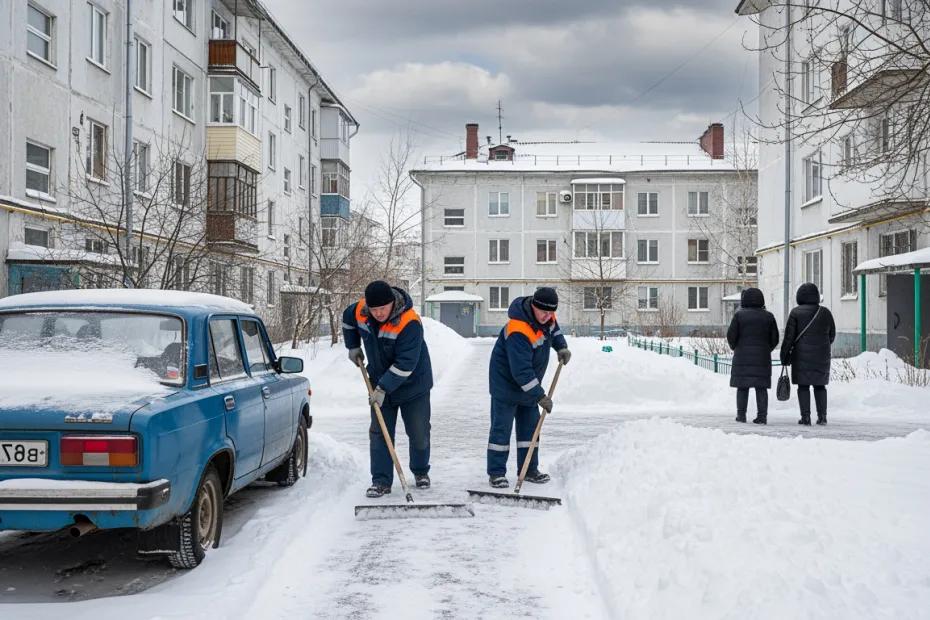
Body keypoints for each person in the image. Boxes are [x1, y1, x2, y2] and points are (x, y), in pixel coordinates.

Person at [343, 280, 433, 497]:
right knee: (380, 432)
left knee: (418, 432)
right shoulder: (362, 311)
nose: (379, 313)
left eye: (383, 308)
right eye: (374, 309)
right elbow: (348, 318)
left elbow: (406, 364)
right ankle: (381, 481)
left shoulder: (409, 322)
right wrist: (353, 345)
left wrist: (383, 388)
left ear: (393, 302)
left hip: (413, 385)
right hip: (379, 380)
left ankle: (420, 471)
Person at [486, 287, 570, 488]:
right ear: (533, 306)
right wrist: (540, 396)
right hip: (506, 386)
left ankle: (529, 470)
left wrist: (561, 346)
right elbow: (521, 372)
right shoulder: (517, 329)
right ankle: (496, 473)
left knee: (530, 430)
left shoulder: (547, 318)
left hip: (529, 386)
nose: (548, 316)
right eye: (544, 312)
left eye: (551, 313)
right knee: (501, 431)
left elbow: (554, 330)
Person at [780, 283, 836, 426]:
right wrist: (822, 347)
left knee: (803, 386)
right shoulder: (825, 313)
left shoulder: (795, 313)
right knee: (820, 386)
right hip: (821, 356)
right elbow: (832, 335)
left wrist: (784, 355)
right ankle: (822, 417)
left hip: (801, 357)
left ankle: (805, 417)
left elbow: (789, 338)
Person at [726, 288, 779, 425]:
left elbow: (731, 336)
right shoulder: (768, 316)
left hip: (742, 357)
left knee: (742, 387)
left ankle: (741, 415)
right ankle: (762, 416)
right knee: (761, 388)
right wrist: (766, 349)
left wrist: (736, 347)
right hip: (762, 358)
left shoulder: (739, 316)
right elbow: (775, 339)